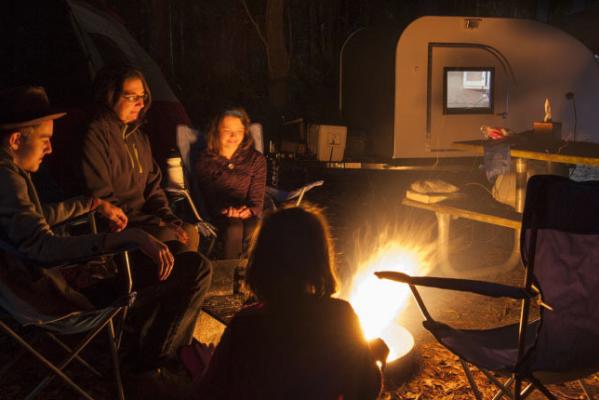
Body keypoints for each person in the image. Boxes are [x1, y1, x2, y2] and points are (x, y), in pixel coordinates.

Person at [0, 86, 211, 391]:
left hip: (43, 288)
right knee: (195, 268)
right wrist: (129, 237)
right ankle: (149, 369)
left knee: (176, 255)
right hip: (56, 297)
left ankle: (144, 352)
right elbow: (42, 247)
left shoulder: (9, 172)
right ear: (16, 139)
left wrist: (91, 204)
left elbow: (35, 219)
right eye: (45, 140)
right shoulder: (6, 177)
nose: (50, 149)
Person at [194, 205, 384, 400]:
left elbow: (209, 391)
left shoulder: (245, 324)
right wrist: (377, 360)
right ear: (320, 260)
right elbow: (365, 390)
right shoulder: (340, 316)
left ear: (262, 260)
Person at [81, 65, 199, 253]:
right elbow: (102, 197)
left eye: (142, 97)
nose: (141, 104)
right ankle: (171, 281)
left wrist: (169, 219)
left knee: (189, 231)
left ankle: (184, 280)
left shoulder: (138, 136)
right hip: (118, 224)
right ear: (110, 96)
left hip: (148, 220)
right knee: (165, 237)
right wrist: (157, 223)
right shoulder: (96, 135)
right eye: (132, 97)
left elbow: (153, 188)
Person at [194, 107, 266, 259]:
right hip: (218, 212)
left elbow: (257, 197)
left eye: (239, 131)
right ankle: (231, 274)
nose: (233, 136)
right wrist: (225, 210)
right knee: (233, 227)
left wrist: (251, 210)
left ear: (245, 132)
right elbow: (207, 196)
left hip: (247, 212)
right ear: (216, 131)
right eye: (227, 130)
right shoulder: (205, 161)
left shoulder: (256, 160)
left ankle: (250, 274)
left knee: (255, 227)